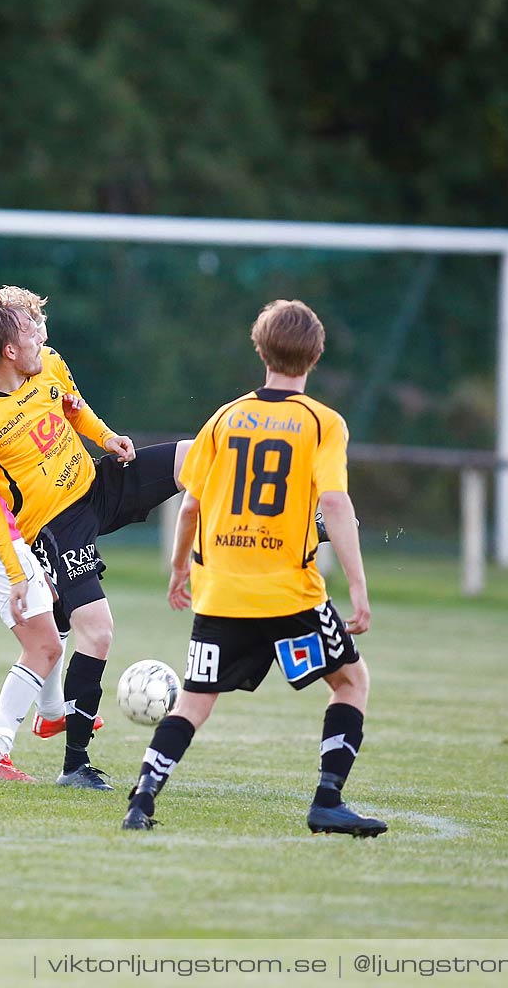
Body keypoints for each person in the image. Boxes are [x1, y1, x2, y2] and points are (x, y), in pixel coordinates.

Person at [120, 298, 385, 836]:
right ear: (315, 356)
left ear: (259, 348)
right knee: (351, 683)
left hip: (221, 591)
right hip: (290, 594)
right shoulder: (322, 423)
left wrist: (178, 570)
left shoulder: (225, 418)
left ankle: (142, 798)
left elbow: (190, 503)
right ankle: (327, 800)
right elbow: (335, 504)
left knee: (194, 702)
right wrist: (357, 586)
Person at [0, 281, 187, 789]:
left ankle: (297, 528)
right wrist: (16, 575)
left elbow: (71, 405)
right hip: (55, 526)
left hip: (96, 485)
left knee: (198, 454)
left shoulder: (47, 363)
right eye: (33, 332)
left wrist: (105, 436)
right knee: (96, 631)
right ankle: (74, 764)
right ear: (10, 350)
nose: (43, 338)